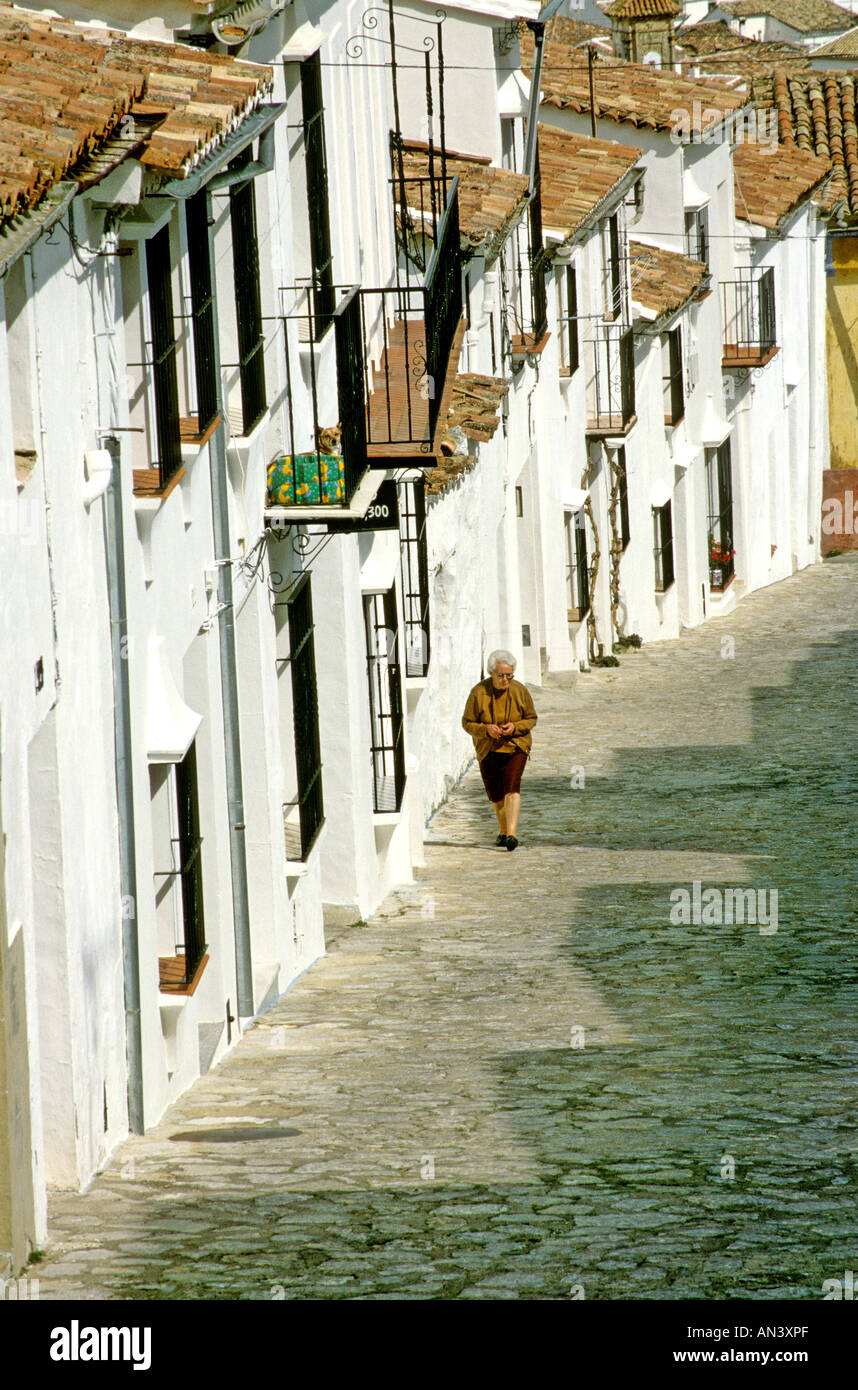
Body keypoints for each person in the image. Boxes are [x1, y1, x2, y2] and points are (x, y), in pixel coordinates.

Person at [461, 650, 537, 852]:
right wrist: (485, 729)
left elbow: (531, 718)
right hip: (488, 747)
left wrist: (516, 727)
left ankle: (511, 834)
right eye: (501, 676)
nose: (505, 680)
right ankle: (503, 830)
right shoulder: (478, 693)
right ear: (491, 673)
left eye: (509, 675)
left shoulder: (520, 691)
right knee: (495, 793)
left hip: (516, 745)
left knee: (512, 786)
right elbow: (467, 723)